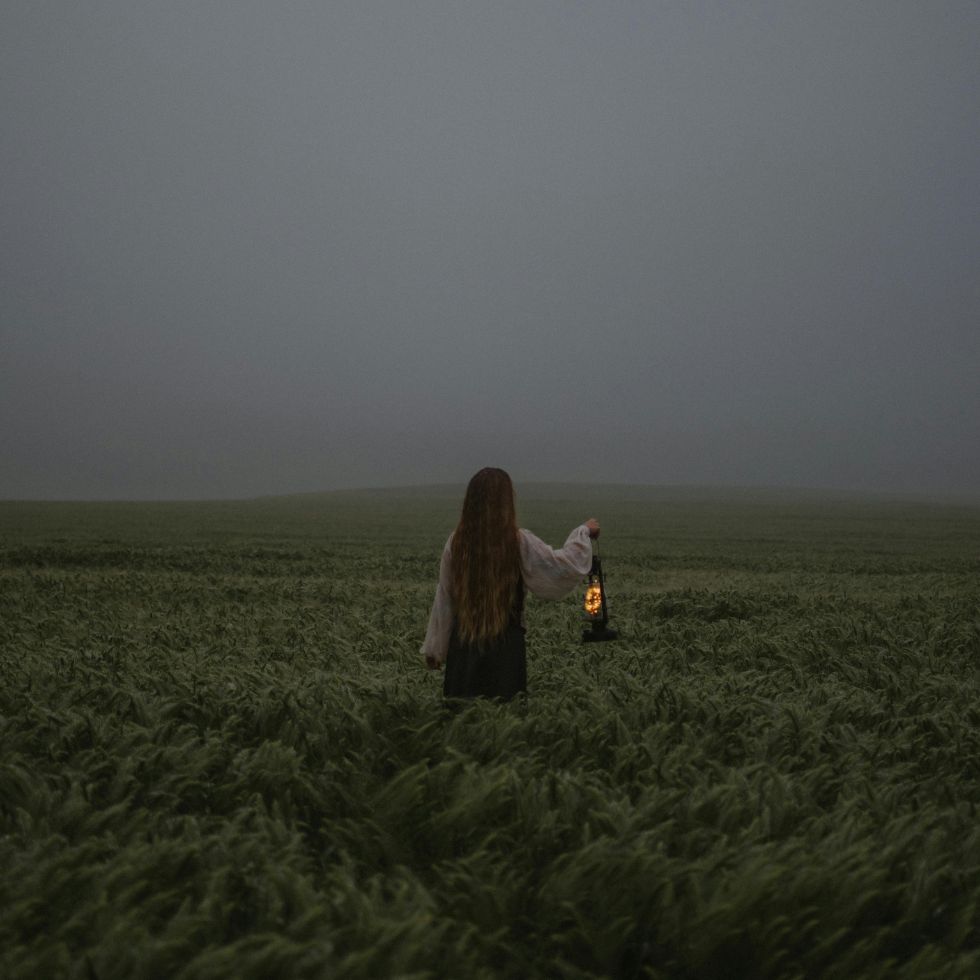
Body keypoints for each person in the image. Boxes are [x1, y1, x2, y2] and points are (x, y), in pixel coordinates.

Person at [421, 467, 600, 700]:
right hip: (505, 650)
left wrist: (435, 649)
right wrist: (584, 531)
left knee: (463, 722)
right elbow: (561, 567)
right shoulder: (517, 541)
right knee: (505, 717)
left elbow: (445, 598)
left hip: (463, 651)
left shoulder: (456, 541)